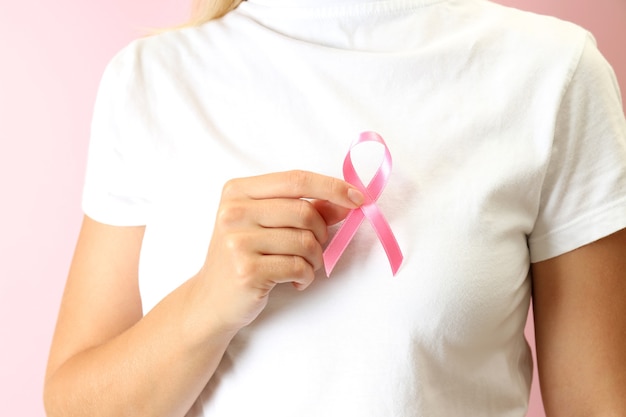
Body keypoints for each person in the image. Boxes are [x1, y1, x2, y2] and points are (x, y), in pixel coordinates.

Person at [44, 0, 626, 416]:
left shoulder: (553, 74)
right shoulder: (150, 80)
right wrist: (207, 303)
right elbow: (75, 406)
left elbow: (597, 404)